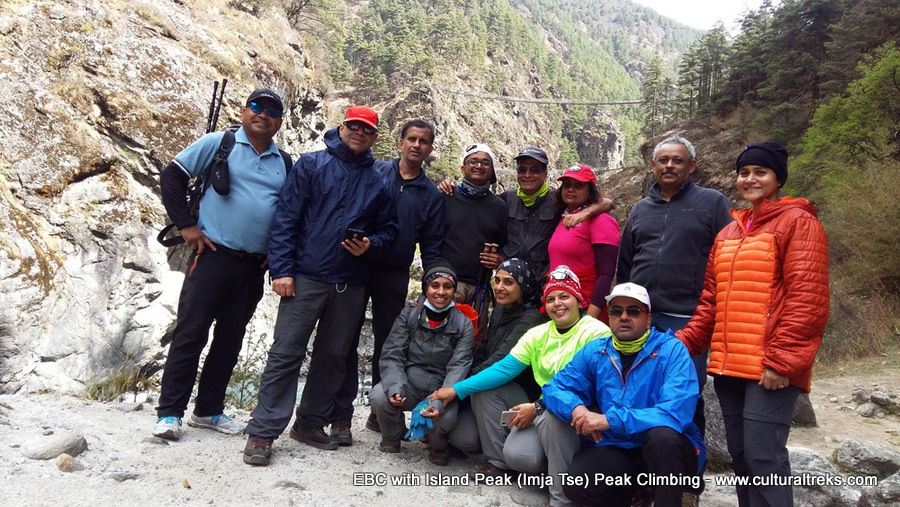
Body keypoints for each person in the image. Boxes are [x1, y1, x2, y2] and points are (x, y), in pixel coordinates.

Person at [242, 106, 399, 466]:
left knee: (333, 356)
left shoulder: (380, 179)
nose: (360, 133)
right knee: (286, 352)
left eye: (368, 129)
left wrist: (370, 245)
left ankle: (309, 423)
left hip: (350, 280)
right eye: (354, 126)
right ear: (341, 127)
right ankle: (263, 431)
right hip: (306, 275)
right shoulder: (312, 164)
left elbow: (389, 230)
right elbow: (286, 218)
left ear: (375, 136)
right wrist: (282, 270)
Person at [677, 142, 829, 506]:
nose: (750, 179)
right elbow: (711, 302)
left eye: (761, 172)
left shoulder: (798, 222)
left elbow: (807, 300)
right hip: (730, 366)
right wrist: (681, 344)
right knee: (742, 455)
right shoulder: (728, 233)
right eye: (744, 173)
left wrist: (781, 362)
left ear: (778, 179)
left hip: (769, 367)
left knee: (764, 457)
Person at [153, 88, 289, 440]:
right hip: (211, 255)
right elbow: (172, 176)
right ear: (244, 111)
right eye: (256, 106)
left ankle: (208, 410)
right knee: (191, 333)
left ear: (279, 122)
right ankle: (169, 413)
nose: (263, 114)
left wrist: (277, 253)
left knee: (230, 339)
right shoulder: (220, 143)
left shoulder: (284, 163)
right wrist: (186, 225)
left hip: (252, 266)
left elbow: (288, 214)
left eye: (272, 111)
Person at [432, 265, 610, 507]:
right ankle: (501, 463)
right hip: (545, 406)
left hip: (581, 414)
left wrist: (537, 407)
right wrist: (457, 389)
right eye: (551, 299)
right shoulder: (538, 334)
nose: (557, 304)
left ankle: (561, 498)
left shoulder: (596, 332)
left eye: (564, 296)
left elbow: (586, 387)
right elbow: (503, 369)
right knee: (518, 455)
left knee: (552, 419)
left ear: (579, 301)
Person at [544, 282, 706, 507]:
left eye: (633, 311)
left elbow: (674, 412)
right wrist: (577, 409)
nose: (624, 317)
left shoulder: (672, 350)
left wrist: (610, 420)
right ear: (609, 317)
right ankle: (638, 495)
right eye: (616, 311)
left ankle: (676, 495)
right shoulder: (597, 350)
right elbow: (554, 387)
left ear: (648, 319)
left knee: (662, 437)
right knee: (577, 484)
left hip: (671, 450)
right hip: (621, 445)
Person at [616, 135, 733, 448]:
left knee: (686, 393)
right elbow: (625, 264)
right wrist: (623, 310)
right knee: (637, 389)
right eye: (663, 160)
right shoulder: (640, 209)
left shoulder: (712, 203)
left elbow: (730, 258)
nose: (669, 166)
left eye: (678, 160)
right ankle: (643, 465)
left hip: (688, 317)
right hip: (642, 318)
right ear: (652, 165)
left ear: (692, 166)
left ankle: (689, 468)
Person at [335, 119, 444, 435]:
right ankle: (340, 415)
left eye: (423, 141)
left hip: (394, 274)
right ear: (400, 142)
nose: (416, 145)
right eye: (411, 139)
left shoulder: (431, 195)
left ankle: (380, 412)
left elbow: (432, 246)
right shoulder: (374, 171)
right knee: (344, 337)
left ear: (430, 149)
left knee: (389, 344)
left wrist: (430, 287)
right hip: (356, 265)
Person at [369, 265, 475, 466]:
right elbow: (393, 355)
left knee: (445, 417)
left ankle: (437, 446)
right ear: (426, 288)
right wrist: (395, 388)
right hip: (409, 383)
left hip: (441, 387)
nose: (441, 292)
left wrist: (437, 402)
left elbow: (459, 366)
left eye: (447, 287)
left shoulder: (464, 324)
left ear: (454, 290)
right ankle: (392, 436)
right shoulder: (409, 315)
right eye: (435, 286)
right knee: (379, 395)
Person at [446, 258, 547, 463]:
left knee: (485, 387)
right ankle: (497, 439)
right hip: (495, 388)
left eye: (508, 282)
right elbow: (484, 349)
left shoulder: (531, 319)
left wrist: (457, 388)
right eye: (497, 280)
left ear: (523, 287)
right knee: (463, 439)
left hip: (520, 393)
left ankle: (498, 462)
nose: (499, 287)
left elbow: (498, 362)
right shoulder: (502, 309)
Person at [497, 147, 614, 278]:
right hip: (511, 279)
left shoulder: (557, 201)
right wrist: (499, 256)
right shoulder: (506, 199)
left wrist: (584, 214)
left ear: (545, 174)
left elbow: (607, 203)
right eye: (522, 170)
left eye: (535, 170)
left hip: (543, 280)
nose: (527, 175)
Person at [441, 143, 507, 329]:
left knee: (475, 338)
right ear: (463, 168)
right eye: (473, 161)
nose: (479, 166)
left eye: (485, 162)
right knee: (437, 335)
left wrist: (499, 259)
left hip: (480, 287)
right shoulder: (446, 196)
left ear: (492, 170)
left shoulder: (499, 207)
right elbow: (430, 237)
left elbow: (503, 243)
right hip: (446, 282)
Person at [547, 165, 620, 321]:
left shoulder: (602, 221)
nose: (570, 189)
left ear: (590, 191)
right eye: (567, 185)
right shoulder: (564, 218)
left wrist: (590, 319)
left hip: (585, 308)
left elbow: (606, 275)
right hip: (560, 306)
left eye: (578, 186)